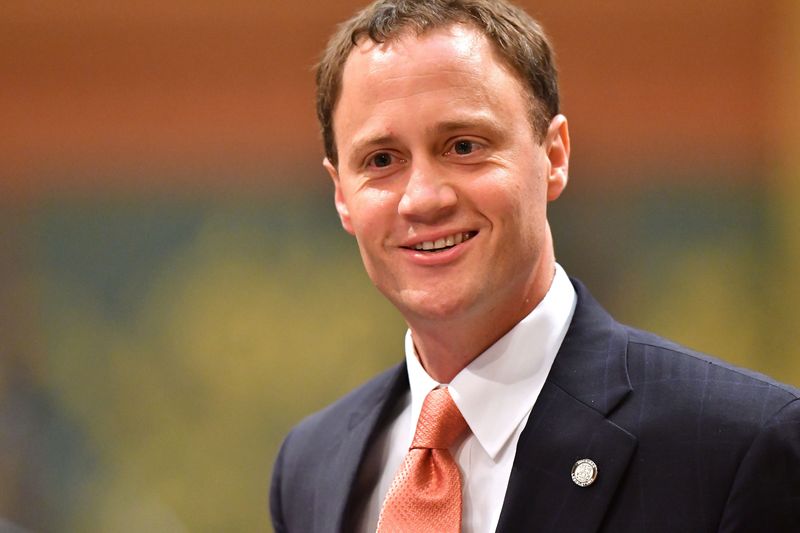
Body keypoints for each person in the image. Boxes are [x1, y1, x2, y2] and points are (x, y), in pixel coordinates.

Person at [270, 0, 800, 531]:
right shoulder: (311, 466)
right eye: (381, 160)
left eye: (463, 146)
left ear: (554, 156)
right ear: (342, 195)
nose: (423, 198)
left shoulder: (740, 446)